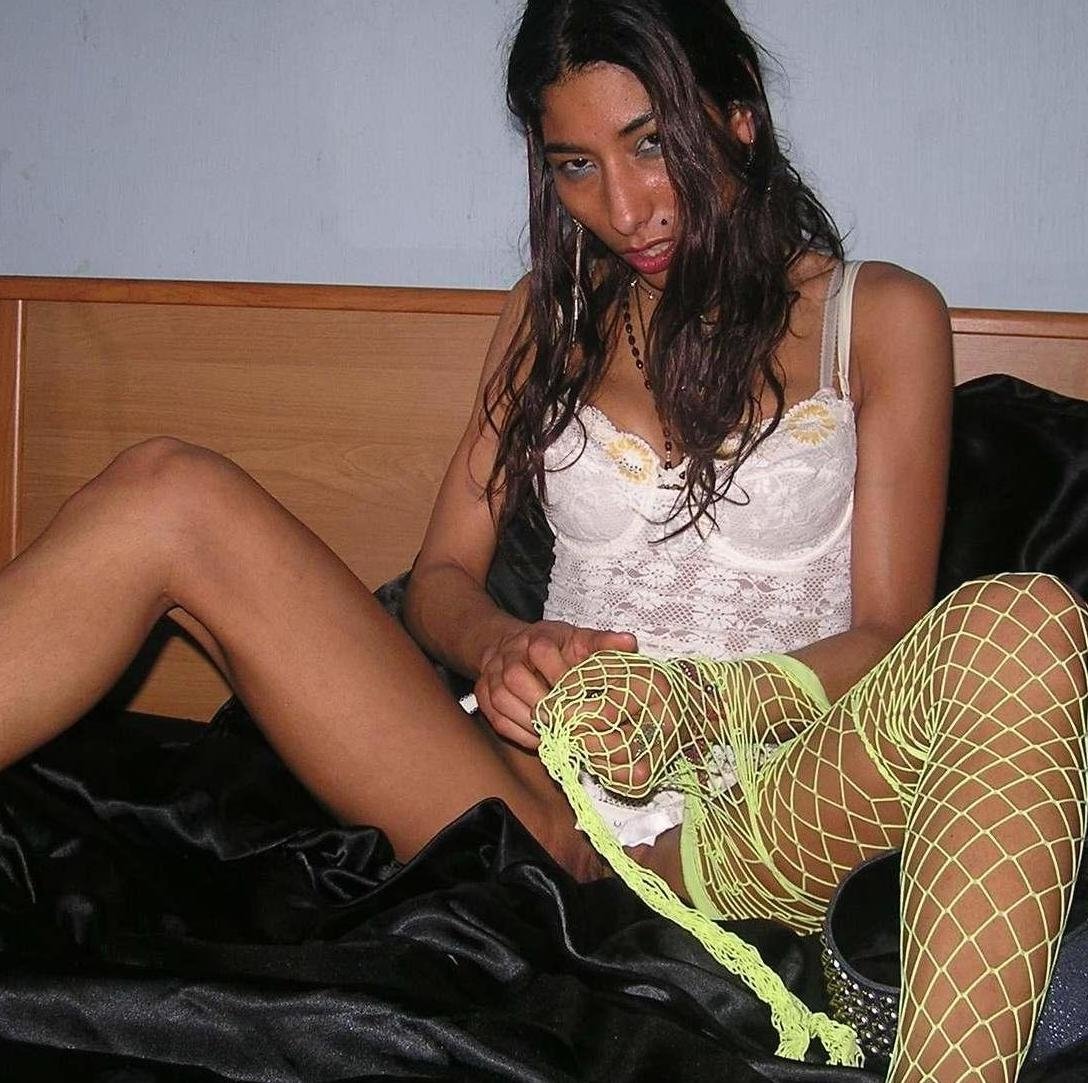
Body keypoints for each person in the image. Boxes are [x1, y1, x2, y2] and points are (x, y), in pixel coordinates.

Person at [0, 0, 1084, 1079]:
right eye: (575, 166)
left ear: (737, 116)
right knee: (169, 490)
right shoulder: (547, 313)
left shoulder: (878, 315)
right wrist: (500, 647)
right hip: (525, 803)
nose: (624, 209)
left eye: (651, 145)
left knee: (1028, 625)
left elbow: (888, 634)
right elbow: (441, 575)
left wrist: (699, 704)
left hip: (750, 815)